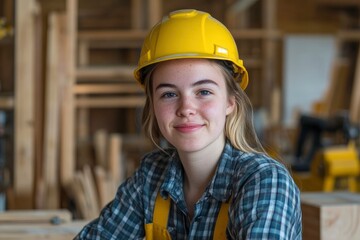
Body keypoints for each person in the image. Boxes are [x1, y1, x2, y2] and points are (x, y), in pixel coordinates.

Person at [74, 9, 302, 239]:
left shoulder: (265, 181)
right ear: (153, 104)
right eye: (169, 94)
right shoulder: (151, 177)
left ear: (230, 102)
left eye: (203, 91)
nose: (185, 108)